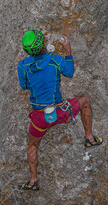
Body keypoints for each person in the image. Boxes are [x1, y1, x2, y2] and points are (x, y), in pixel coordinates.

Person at [17, 29, 102, 191]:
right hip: (59, 112)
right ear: (43, 44)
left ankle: (33, 180)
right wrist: (68, 51)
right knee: (85, 102)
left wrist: (22, 64)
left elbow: (24, 86)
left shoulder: (23, 66)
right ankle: (89, 137)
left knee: (32, 146)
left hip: (39, 118)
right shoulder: (55, 60)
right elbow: (69, 72)